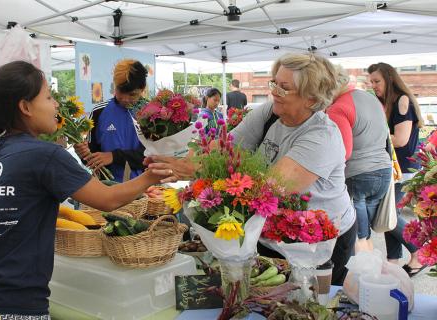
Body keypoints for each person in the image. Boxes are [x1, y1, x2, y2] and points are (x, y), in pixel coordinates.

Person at [0, 61, 170, 319]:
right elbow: (107, 199)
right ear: (25, 107)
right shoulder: (45, 155)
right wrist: (151, 176)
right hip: (15, 307)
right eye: (48, 97)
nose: (55, 105)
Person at [148, 53, 357, 286]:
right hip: (273, 235)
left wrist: (197, 171)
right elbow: (225, 149)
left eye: (284, 88)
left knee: (312, 303)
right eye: (274, 83)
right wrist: (186, 160)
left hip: (318, 245)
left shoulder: (322, 136)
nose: (274, 91)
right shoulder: (270, 112)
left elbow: (270, 187)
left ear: (311, 98)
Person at [368, 62, 426, 277]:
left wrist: (369, 137)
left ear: (389, 79)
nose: (373, 86)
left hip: (403, 170)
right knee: (390, 214)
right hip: (393, 169)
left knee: (386, 216)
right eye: (371, 82)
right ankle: (392, 262)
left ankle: (418, 252)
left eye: (377, 81)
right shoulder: (386, 102)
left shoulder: (402, 100)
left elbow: (400, 139)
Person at [327, 67, 392, 253]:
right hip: (383, 171)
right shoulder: (370, 98)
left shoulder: (337, 108)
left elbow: (343, 153)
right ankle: (371, 270)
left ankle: (362, 275)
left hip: (358, 175)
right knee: (366, 232)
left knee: (359, 236)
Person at [74, 59, 147, 182]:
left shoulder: (151, 114)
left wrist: (114, 156)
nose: (125, 99)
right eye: (120, 92)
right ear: (115, 85)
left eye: (132, 95)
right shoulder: (99, 112)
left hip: (144, 189)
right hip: (106, 189)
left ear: (142, 88)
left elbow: (152, 157)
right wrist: (83, 153)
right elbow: (91, 158)